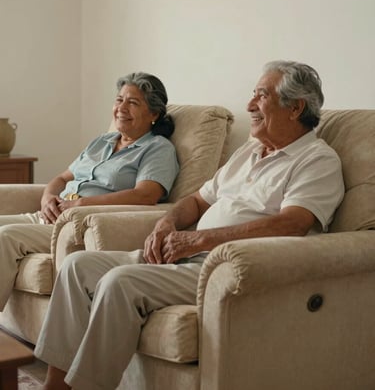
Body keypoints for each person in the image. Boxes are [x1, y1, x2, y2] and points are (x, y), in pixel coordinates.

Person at [34, 60, 345, 390]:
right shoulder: (250, 152)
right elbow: (197, 201)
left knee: (119, 282)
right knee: (77, 266)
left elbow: (293, 223)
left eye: (261, 96)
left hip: (224, 268)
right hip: (187, 255)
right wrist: (167, 224)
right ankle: (55, 385)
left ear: (295, 107)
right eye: (253, 94)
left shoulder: (316, 160)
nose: (250, 105)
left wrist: (200, 241)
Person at [0, 72, 179, 311]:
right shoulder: (102, 141)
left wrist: (81, 205)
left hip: (75, 225)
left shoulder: (158, 148)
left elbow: (145, 195)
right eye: (119, 100)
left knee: (6, 236)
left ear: (154, 114)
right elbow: (63, 177)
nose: (121, 108)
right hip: (52, 214)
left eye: (133, 102)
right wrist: (47, 198)